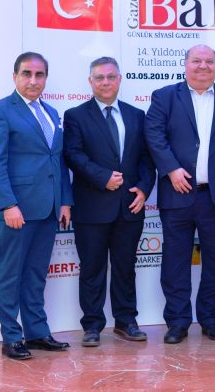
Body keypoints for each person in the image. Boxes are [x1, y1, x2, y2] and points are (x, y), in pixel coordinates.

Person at [145, 44, 215, 344]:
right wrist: (171, 169)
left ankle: (211, 320)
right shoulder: (164, 96)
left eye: (209, 61)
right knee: (175, 262)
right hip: (176, 194)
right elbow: (154, 135)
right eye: (196, 61)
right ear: (185, 64)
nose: (203, 66)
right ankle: (177, 322)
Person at [0, 52, 73, 360]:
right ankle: (11, 337)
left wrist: (65, 201)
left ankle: (36, 332)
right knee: (10, 275)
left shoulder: (50, 111)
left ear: (46, 78)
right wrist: (8, 204)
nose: (33, 80)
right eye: (27, 74)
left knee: (35, 275)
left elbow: (57, 161)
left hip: (48, 209)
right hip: (16, 211)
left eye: (39, 74)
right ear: (15, 76)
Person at [63, 56, 156, 348]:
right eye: (100, 78)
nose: (106, 82)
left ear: (120, 79)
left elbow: (146, 158)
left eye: (111, 77)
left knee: (125, 267)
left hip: (129, 207)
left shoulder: (136, 115)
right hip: (91, 207)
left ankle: (126, 321)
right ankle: (92, 325)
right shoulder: (75, 115)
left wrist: (144, 189)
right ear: (90, 81)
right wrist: (102, 177)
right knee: (92, 269)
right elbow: (73, 155)